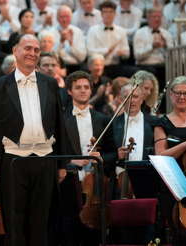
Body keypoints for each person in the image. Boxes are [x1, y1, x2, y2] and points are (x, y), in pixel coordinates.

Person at [0, 34, 66, 246]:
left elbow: (59, 124)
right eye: (27, 48)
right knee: (14, 221)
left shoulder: (50, 83)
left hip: (45, 159)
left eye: (36, 50)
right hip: (12, 160)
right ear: (15, 51)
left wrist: (62, 163)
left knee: (41, 221)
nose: (32, 53)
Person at [57, 71, 111, 246]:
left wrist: (100, 157)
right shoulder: (61, 120)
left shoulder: (103, 120)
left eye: (86, 87)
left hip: (96, 183)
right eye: (78, 87)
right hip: (70, 181)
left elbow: (114, 153)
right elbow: (51, 151)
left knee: (94, 232)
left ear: (91, 90)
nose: (83, 91)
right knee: (69, 228)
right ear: (69, 91)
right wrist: (71, 161)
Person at [153, 76, 186, 244]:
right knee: (176, 229)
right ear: (171, 95)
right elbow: (160, 156)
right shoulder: (161, 123)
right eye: (177, 93)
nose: (181, 97)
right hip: (173, 182)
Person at [86, 0, 130, 78]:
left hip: (116, 65)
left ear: (115, 14)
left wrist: (122, 53)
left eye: (111, 12)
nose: (108, 14)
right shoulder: (93, 30)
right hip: (98, 67)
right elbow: (90, 51)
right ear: (101, 14)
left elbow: (127, 53)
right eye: (105, 12)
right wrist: (106, 50)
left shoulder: (121, 31)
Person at [133, 9, 173, 88]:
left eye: (159, 17)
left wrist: (166, 46)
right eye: (154, 17)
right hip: (145, 66)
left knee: (172, 73)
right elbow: (137, 56)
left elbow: (173, 57)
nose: (157, 19)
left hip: (163, 66)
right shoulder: (140, 33)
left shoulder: (167, 34)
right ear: (148, 18)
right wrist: (152, 47)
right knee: (153, 73)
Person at [53, 5, 87, 73]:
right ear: (57, 18)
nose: (64, 20)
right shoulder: (50, 32)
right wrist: (61, 42)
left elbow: (82, 58)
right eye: (62, 17)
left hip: (76, 67)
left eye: (67, 16)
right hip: (58, 68)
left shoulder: (78, 32)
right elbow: (51, 56)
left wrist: (71, 44)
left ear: (71, 17)